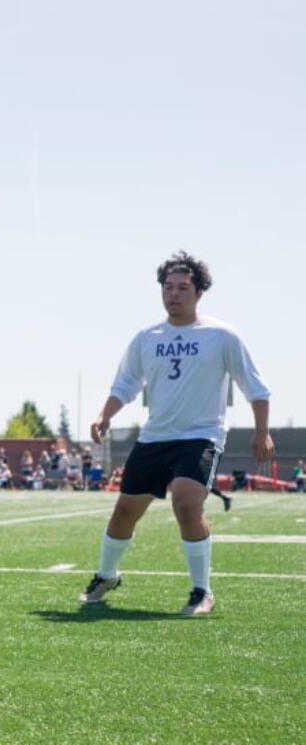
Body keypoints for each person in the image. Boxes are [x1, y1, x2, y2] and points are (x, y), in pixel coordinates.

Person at [78, 252, 272, 615]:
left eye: (183, 287)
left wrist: (262, 431)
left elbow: (256, 388)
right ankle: (106, 575)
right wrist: (104, 414)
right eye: (168, 287)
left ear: (199, 292)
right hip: (155, 437)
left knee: (186, 502)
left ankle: (202, 592)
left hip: (201, 435)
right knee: (124, 512)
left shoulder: (222, 336)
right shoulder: (146, 337)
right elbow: (125, 384)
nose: (174, 294)